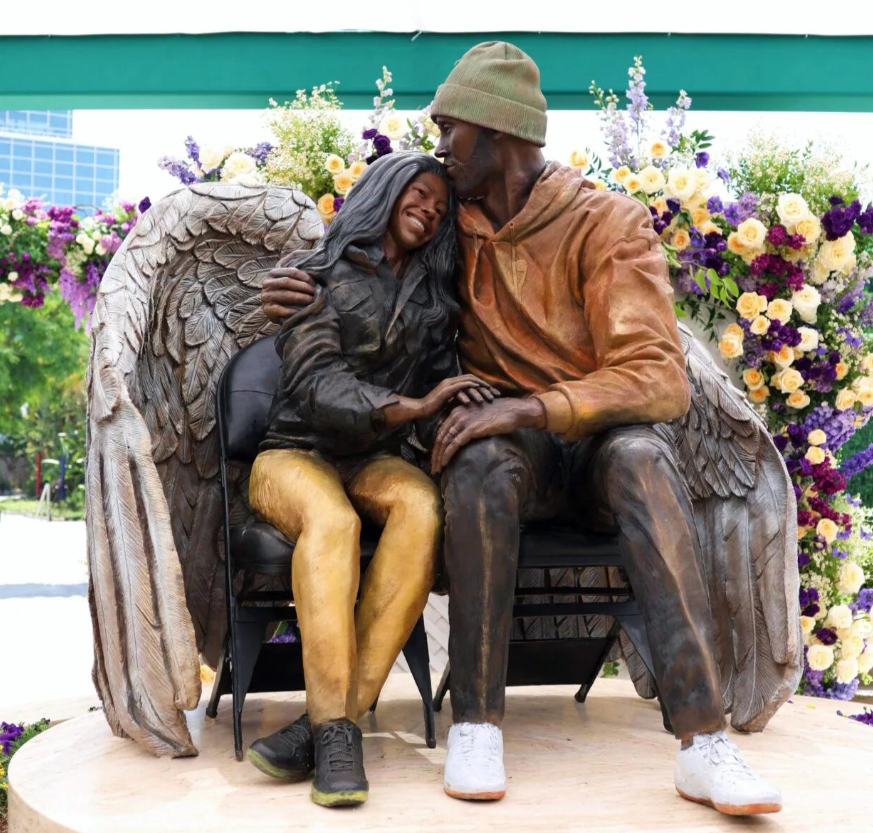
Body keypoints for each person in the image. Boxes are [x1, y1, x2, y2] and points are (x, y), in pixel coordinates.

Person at [262, 42, 784, 817]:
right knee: (478, 461)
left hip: (604, 442)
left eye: (450, 129)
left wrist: (525, 406)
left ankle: (703, 742)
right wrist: (298, 282)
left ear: (494, 132)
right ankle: (475, 724)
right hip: (514, 455)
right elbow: (369, 251)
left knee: (641, 460)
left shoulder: (606, 222)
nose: (440, 145)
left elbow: (656, 377)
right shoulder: (452, 227)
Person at [247, 150, 498, 808]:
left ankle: (329, 726)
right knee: (332, 521)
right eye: (419, 195)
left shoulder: (434, 301)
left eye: (440, 208)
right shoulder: (313, 272)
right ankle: (337, 732)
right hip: (292, 452)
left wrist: (463, 407)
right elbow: (318, 385)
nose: (430, 211)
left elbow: (441, 385)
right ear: (386, 191)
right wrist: (414, 405)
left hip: (370, 458)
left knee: (421, 505)